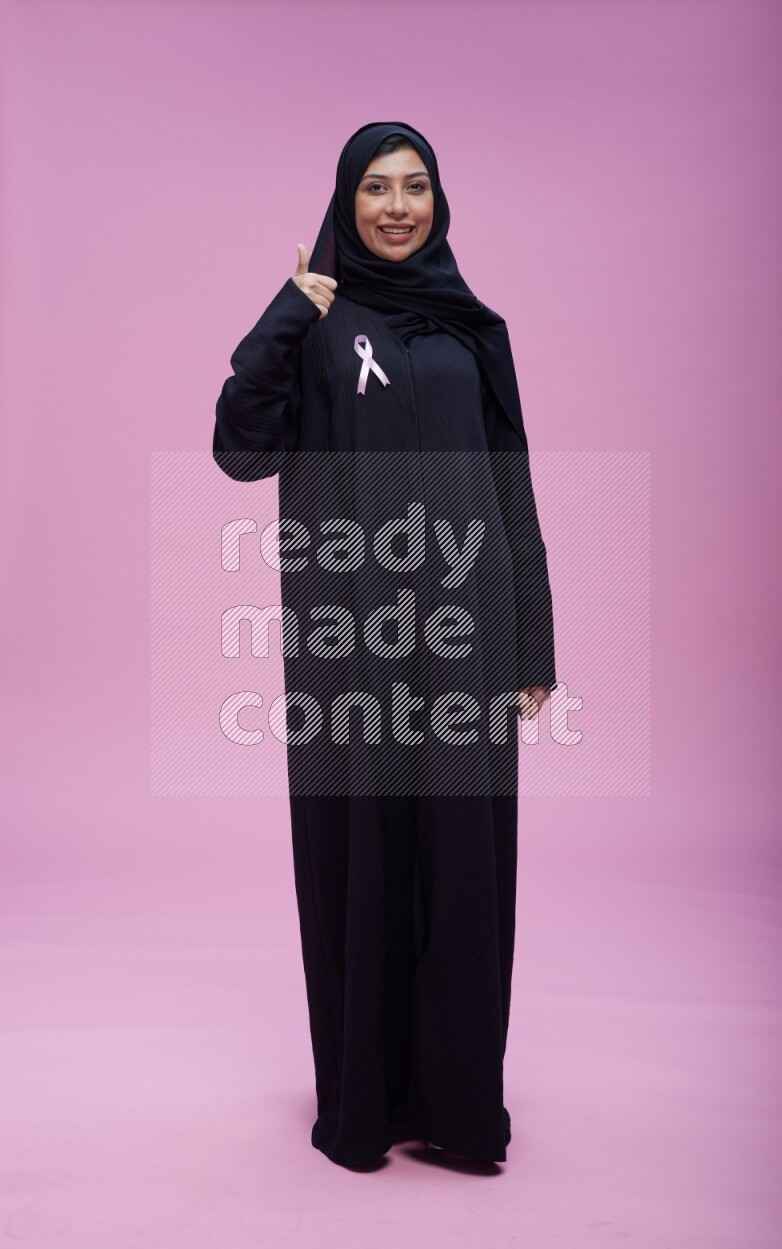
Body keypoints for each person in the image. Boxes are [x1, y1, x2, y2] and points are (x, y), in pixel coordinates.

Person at [212, 121, 557, 1167]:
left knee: (460, 861)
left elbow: (513, 487)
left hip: (466, 634)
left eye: (414, 187)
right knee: (359, 853)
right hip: (349, 636)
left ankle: (458, 1107)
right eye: (375, 187)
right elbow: (240, 449)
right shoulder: (317, 325)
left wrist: (533, 642)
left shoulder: (473, 331)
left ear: (437, 201)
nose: (397, 206)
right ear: (345, 201)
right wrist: (286, 313)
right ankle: (364, 1100)